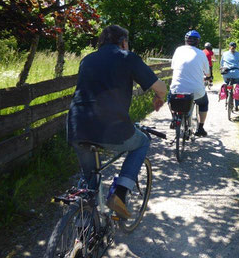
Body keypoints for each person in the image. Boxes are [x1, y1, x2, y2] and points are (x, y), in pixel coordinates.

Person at [67, 25, 167, 219]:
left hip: (76, 125)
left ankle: (82, 231)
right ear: (123, 42)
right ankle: (120, 192)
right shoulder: (126, 56)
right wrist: (159, 97)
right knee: (143, 142)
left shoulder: (86, 60)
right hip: (111, 127)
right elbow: (160, 87)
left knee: (89, 181)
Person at [170, 30, 210, 137]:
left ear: (185, 41)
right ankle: (200, 128)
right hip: (196, 91)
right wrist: (208, 77)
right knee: (203, 102)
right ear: (198, 42)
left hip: (177, 89)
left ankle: (174, 118)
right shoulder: (201, 54)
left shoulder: (178, 50)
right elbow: (207, 73)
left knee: (170, 98)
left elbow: (173, 67)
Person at [220, 41, 239, 111]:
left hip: (226, 74)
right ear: (235, 48)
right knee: (237, 88)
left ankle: (226, 98)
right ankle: (236, 106)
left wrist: (221, 67)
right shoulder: (238, 54)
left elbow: (221, 64)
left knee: (226, 84)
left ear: (229, 47)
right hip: (236, 73)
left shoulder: (224, 54)